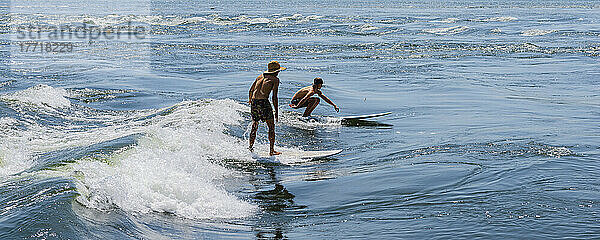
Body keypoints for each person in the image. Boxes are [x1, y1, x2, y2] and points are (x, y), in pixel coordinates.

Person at [248, 61, 286, 156]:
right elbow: (274, 97)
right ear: (276, 71)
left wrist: (250, 101)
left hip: (254, 102)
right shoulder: (275, 79)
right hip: (264, 102)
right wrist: (276, 112)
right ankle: (271, 151)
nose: (279, 73)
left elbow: (251, 90)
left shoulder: (260, 77)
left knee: (254, 126)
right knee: (271, 127)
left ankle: (250, 148)